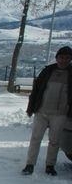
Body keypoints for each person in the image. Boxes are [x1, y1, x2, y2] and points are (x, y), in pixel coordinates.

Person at [22, 45, 72, 176]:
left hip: (60, 114)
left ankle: (50, 166)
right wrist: (31, 108)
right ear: (57, 58)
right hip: (41, 111)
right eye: (61, 57)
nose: (64, 60)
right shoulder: (47, 71)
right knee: (35, 139)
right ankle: (29, 164)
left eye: (67, 58)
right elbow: (36, 91)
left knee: (55, 141)